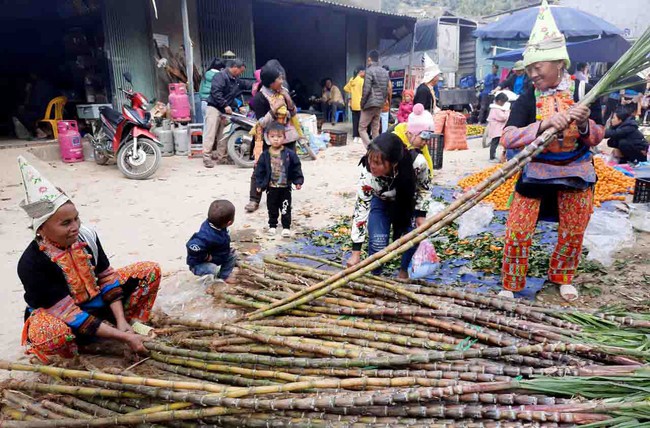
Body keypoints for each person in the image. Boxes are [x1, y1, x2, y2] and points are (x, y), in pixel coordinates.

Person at [498, 0, 605, 302]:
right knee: (518, 230)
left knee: (573, 229)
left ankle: (562, 276)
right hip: (536, 170)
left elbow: (598, 136)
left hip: (576, 169)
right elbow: (507, 137)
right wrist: (543, 124)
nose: (532, 73)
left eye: (537, 66)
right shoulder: (527, 99)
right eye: (529, 68)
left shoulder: (585, 93)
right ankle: (511, 281)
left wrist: (584, 126)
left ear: (559, 63)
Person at [16, 156, 160, 363]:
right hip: (61, 316)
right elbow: (67, 312)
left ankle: (127, 323)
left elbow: (106, 277)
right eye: (65, 223)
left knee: (149, 270)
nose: (75, 226)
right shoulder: (32, 264)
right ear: (41, 228)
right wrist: (124, 338)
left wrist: (120, 320)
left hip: (95, 303)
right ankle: (77, 353)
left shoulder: (86, 235)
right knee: (51, 333)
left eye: (76, 218)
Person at [347, 133, 432, 279]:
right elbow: (361, 207)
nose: (372, 166)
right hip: (380, 202)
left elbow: (424, 187)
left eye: (378, 163)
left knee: (412, 238)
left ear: (394, 163)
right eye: (370, 160)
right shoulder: (368, 174)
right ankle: (375, 275)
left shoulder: (417, 163)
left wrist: (420, 214)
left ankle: (403, 271)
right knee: (378, 242)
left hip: (406, 202)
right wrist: (356, 253)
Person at [246, 62, 300, 214]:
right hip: (268, 138)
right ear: (271, 82)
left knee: (287, 167)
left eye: (282, 78)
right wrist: (273, 110)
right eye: (279, 79)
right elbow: (261, 123)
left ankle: (283, 197)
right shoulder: (259, 99)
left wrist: (289, 102)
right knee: (261, 167)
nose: (282, 82)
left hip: (287, 136)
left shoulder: (283, 92)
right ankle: (254, 198)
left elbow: (294, 113)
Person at [255, 121, 304, 238]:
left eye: (279, 136)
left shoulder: (289, 154)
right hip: (271, 187)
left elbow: (296, 167)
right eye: (272, 137)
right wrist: (260, 184)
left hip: (285, 187)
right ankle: (272, 225)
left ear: (284, 138)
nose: (276, 139)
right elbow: (260, 171)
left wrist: (298, 181)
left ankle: (286, 226)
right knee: (272, 207)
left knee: (286, 207)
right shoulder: (265, 155)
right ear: (268, 138)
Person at [204, 58, 253, 168]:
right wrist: (225, 105)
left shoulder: (235, 80)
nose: (241, 73)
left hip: (225, 110)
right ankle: (206, 157)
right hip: (214, 108)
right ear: (235, 67)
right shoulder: (220, 76)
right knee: (211, 133)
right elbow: (216, 92)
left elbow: (242, 87)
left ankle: (222, 157)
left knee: (224, 134)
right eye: (241, 71)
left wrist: (257, 85)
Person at [186, 200, 238, 284]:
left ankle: (223, 276)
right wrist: (206, 257)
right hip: (199, 264)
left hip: (217, 255)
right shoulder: (206, 235)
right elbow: (191, 245)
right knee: (213, 269)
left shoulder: (216, 224)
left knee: (232, 254)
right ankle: (214, 282)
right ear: (229, 222)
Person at [392, 103, 435, 175]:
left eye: (427, 140)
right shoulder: (396, 140)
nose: (425, 143)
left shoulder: (421, 145)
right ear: (410, 134)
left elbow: (428, 160)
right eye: (423, 139)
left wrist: (430, 176)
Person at [359, 50, 390, 147]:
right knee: (375, 129)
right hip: (380, 105)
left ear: (369, 59)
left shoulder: (369, 71)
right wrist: (383, 102)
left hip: (370, 104)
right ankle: (378, 149)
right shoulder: (384, 72)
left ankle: (370, 148)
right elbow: (386, 89)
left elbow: (366, 90)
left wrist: (362, 103)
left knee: (362, 128)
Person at [199, 57, 226, 123]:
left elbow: (201, 88)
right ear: (222, 68)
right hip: (212, 104)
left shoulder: (206, 73)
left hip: (203, 102)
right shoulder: (219, 76)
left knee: (205, 124)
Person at [344, 67, 366, 144]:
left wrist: (352, 91)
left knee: (355, 121)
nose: (365, 73)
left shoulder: (352, 80)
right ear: (360, 72)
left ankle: (355, 137)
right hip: (361, 104)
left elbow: (345, 88)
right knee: (361, 122)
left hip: (353, 104)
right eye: (364, 72)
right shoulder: (362, 81)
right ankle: (360, 137)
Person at [487, 93, 510, 162]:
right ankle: (492, 157)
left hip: (497, 128)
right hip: (496, 129)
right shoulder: (496, 109)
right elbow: (502, 117)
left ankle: (495, 156)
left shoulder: (496, 108)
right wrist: (507, 112)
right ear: (499, 101)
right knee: (495, 142)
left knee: (496, 142)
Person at [380, 66, 393, 133]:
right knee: (384, 120)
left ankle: (373, 134)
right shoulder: (388, 81)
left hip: (375, 103)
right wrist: (389, 103)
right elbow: (389, 93)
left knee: (375, 121)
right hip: (384, 103)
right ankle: (383, 134)